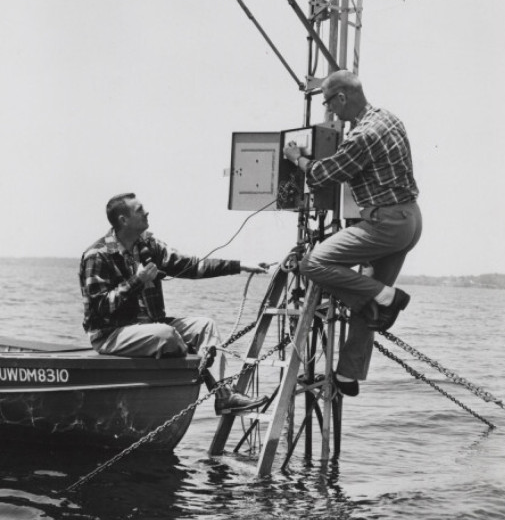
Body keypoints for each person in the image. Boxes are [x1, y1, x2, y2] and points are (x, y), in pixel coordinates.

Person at [282, 70, 421, 398]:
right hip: (410, 218)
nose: (330, 112)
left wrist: (297, 158)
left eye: (329, 104)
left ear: (341, 98)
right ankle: (348, 373)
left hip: (385, 224)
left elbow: (324, 174)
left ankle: (388, 296)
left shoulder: (363, 136)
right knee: (366, 296)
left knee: (313, 264)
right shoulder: (388, 118)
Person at [80, 193, 268, 414]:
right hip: (111, 333)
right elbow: (100, 308)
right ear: (123, 220)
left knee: (204, 326)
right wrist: (137, 281)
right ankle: (189, 369)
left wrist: (241, 265)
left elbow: (191, 266)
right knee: (166, 335)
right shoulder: (97, 255)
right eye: (140, 209)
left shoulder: (147, 245)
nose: (147, 212)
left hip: (152, 326)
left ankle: (224, 396)